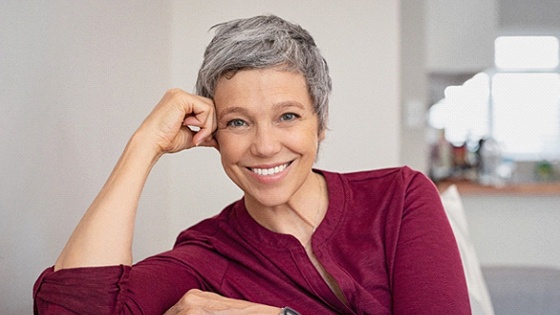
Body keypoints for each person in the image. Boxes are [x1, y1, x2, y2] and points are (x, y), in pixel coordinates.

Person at [33, 15, 471, 314]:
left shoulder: (400, 197)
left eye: (288, 116)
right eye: (238, 122)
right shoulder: (205, 254)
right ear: (213, 136)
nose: (264, 146)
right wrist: (144, 145)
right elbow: (68, 309)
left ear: (320, 124)